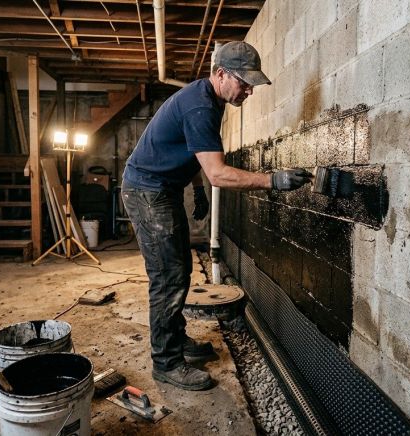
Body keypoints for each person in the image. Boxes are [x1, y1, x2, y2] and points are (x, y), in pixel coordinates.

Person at [121, 41, 313, 391]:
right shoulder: (200, 106)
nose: (249, 90)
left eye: (252, 83)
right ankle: (166, 362)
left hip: (161, 188)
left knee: (179, 267)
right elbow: (218, 174)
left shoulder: (210, 99)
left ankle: (175, 340)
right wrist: (273, 180)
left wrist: (196, 189)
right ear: (221, 74)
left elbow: (194, 152)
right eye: (244, 82)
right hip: (147, 191)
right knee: (168, 275)